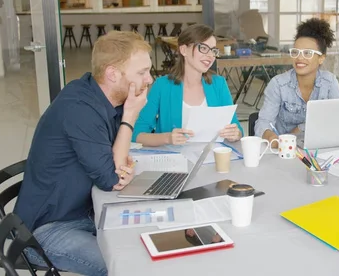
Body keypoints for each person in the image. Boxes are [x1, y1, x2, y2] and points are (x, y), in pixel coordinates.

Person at [14, 31, 153, 276]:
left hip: (84, 212)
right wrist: (131, 116)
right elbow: (112, 180)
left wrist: (117, 164)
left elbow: (117, 167)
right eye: (141, 72)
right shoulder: (80, 109)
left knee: (151, 236)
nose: (149, 79)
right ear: (112, 74)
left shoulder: (100, 97)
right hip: (48, 231)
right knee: (133, 267)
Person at [133, 24, 243, 146]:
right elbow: (136, 134)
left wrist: (235, 134)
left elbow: (237, 128)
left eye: (213, 50)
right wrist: (168, 138)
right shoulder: (162, 86)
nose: (211, 56)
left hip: (211, 159)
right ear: (183, 50)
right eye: (203, 48)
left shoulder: (218, 84)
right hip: (174, 161)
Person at [255, 18, 339, 144]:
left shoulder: (330, 82)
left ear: (321, 58)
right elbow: (263, 122)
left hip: (319, 148)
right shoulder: (278, 84)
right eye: (295, 52)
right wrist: (270, 137)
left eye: (307, 53)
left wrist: (300, 128)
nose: (300, 58)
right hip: (284, 151)